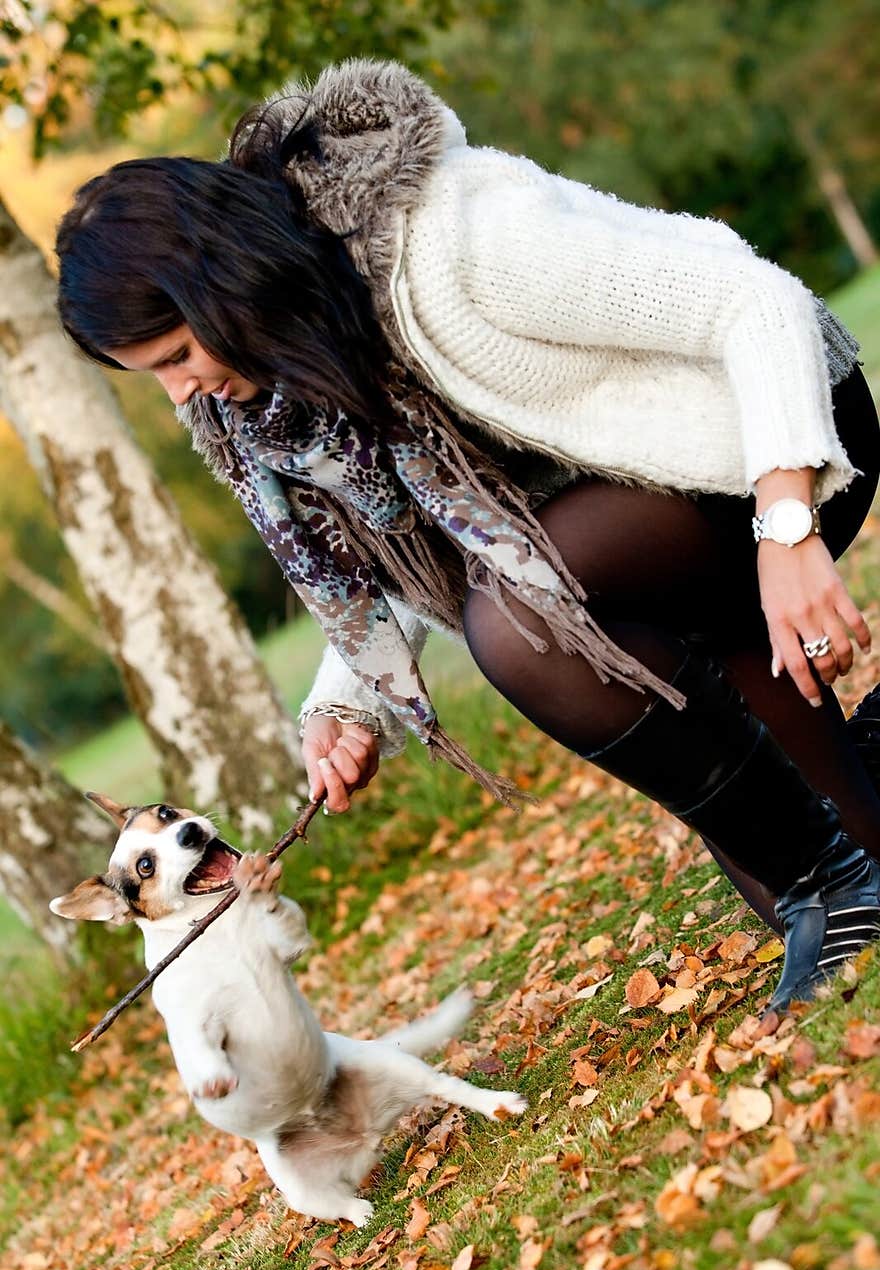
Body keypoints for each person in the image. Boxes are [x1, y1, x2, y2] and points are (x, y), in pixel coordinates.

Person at [54, 58, 880, 1016]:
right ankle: (837, 860)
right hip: (616, 522)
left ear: (218, 286)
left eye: (174, 357)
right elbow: (398, 549)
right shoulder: (279, 390)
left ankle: (829, 869)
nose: (178, 392)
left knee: (518, 623)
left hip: (768, 439)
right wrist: (346, 705)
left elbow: (754, 300)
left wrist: (784, 530)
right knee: (833, 879)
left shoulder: (448, 240)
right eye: (146, 375)